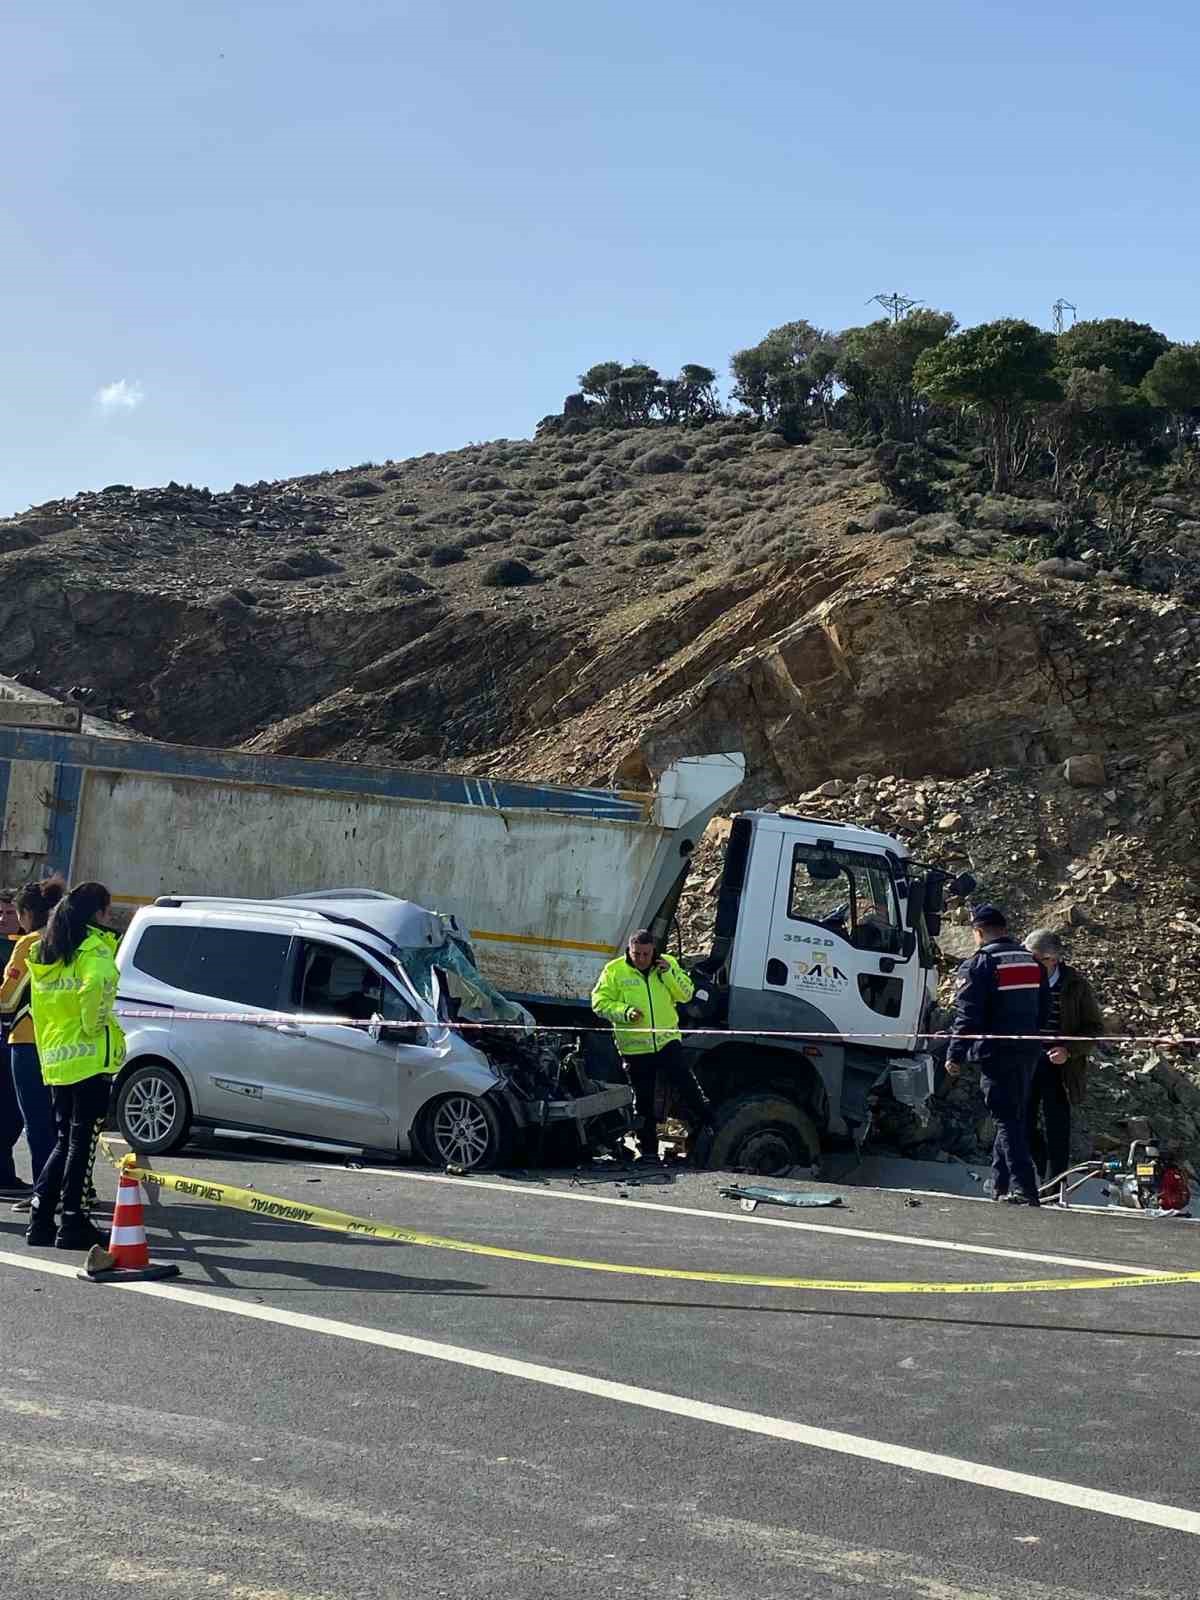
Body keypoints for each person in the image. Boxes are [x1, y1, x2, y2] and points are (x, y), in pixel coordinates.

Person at [24, 881, 125, 1250]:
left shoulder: (47, 950)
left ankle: (40, 1219)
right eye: (108, 911)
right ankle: (73, 1223)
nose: (111, 918)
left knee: (64, 1141)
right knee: (81, 1143)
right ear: (96, 914)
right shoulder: (92, 949)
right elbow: (98, 982)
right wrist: (95, 1022)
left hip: (57, 1059)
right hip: (87, 1059)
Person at [945, 904, 1049, 1207]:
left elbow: (968, 1015)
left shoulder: (980, 964)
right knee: (1014, 1115)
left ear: (978, 932)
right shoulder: (1032, 961)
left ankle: (1024, 1188)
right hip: (1028, 1051)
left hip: (996, 1053)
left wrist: (955, 1054)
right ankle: (1000, 1185)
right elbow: (1044, 1009)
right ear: (1004, 929)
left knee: (1006, 1119)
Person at [591, 929, 709, 1164]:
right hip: (635, 1048)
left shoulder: (668, 964)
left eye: (646, 954)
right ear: (630, 949)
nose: (642, 959)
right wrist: (625, 1012)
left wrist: (668, 974)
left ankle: (708, 1128)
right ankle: (649, 1152)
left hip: (667, 1042)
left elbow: (686, 995)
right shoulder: (614, 970)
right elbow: (599, 1003)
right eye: (637, 954)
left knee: (685, 1087)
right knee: (643, 1101)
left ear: (653, 950)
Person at [0, 879, 64, 1211]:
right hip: (61, 1043)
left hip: (27, 1040)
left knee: (36, 1123)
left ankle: (44, 1194)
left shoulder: (29, 944)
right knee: (57, 1123)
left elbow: (7, 1000)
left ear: (27, 913)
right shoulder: (72, 942)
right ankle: (64, 1189)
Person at [1024, 929, 1104, 1192]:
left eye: (1037, 959)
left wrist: (1067, 1050)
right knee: (1021, 1121)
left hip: (1060, 1066)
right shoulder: (1022, 980)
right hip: (1025, 1062)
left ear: (1053, 960)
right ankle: (1043, 1168)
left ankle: (1055, 1184)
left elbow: (1094, 1029)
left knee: (1057, 1125)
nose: (1031, 964)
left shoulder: (1076, 986)